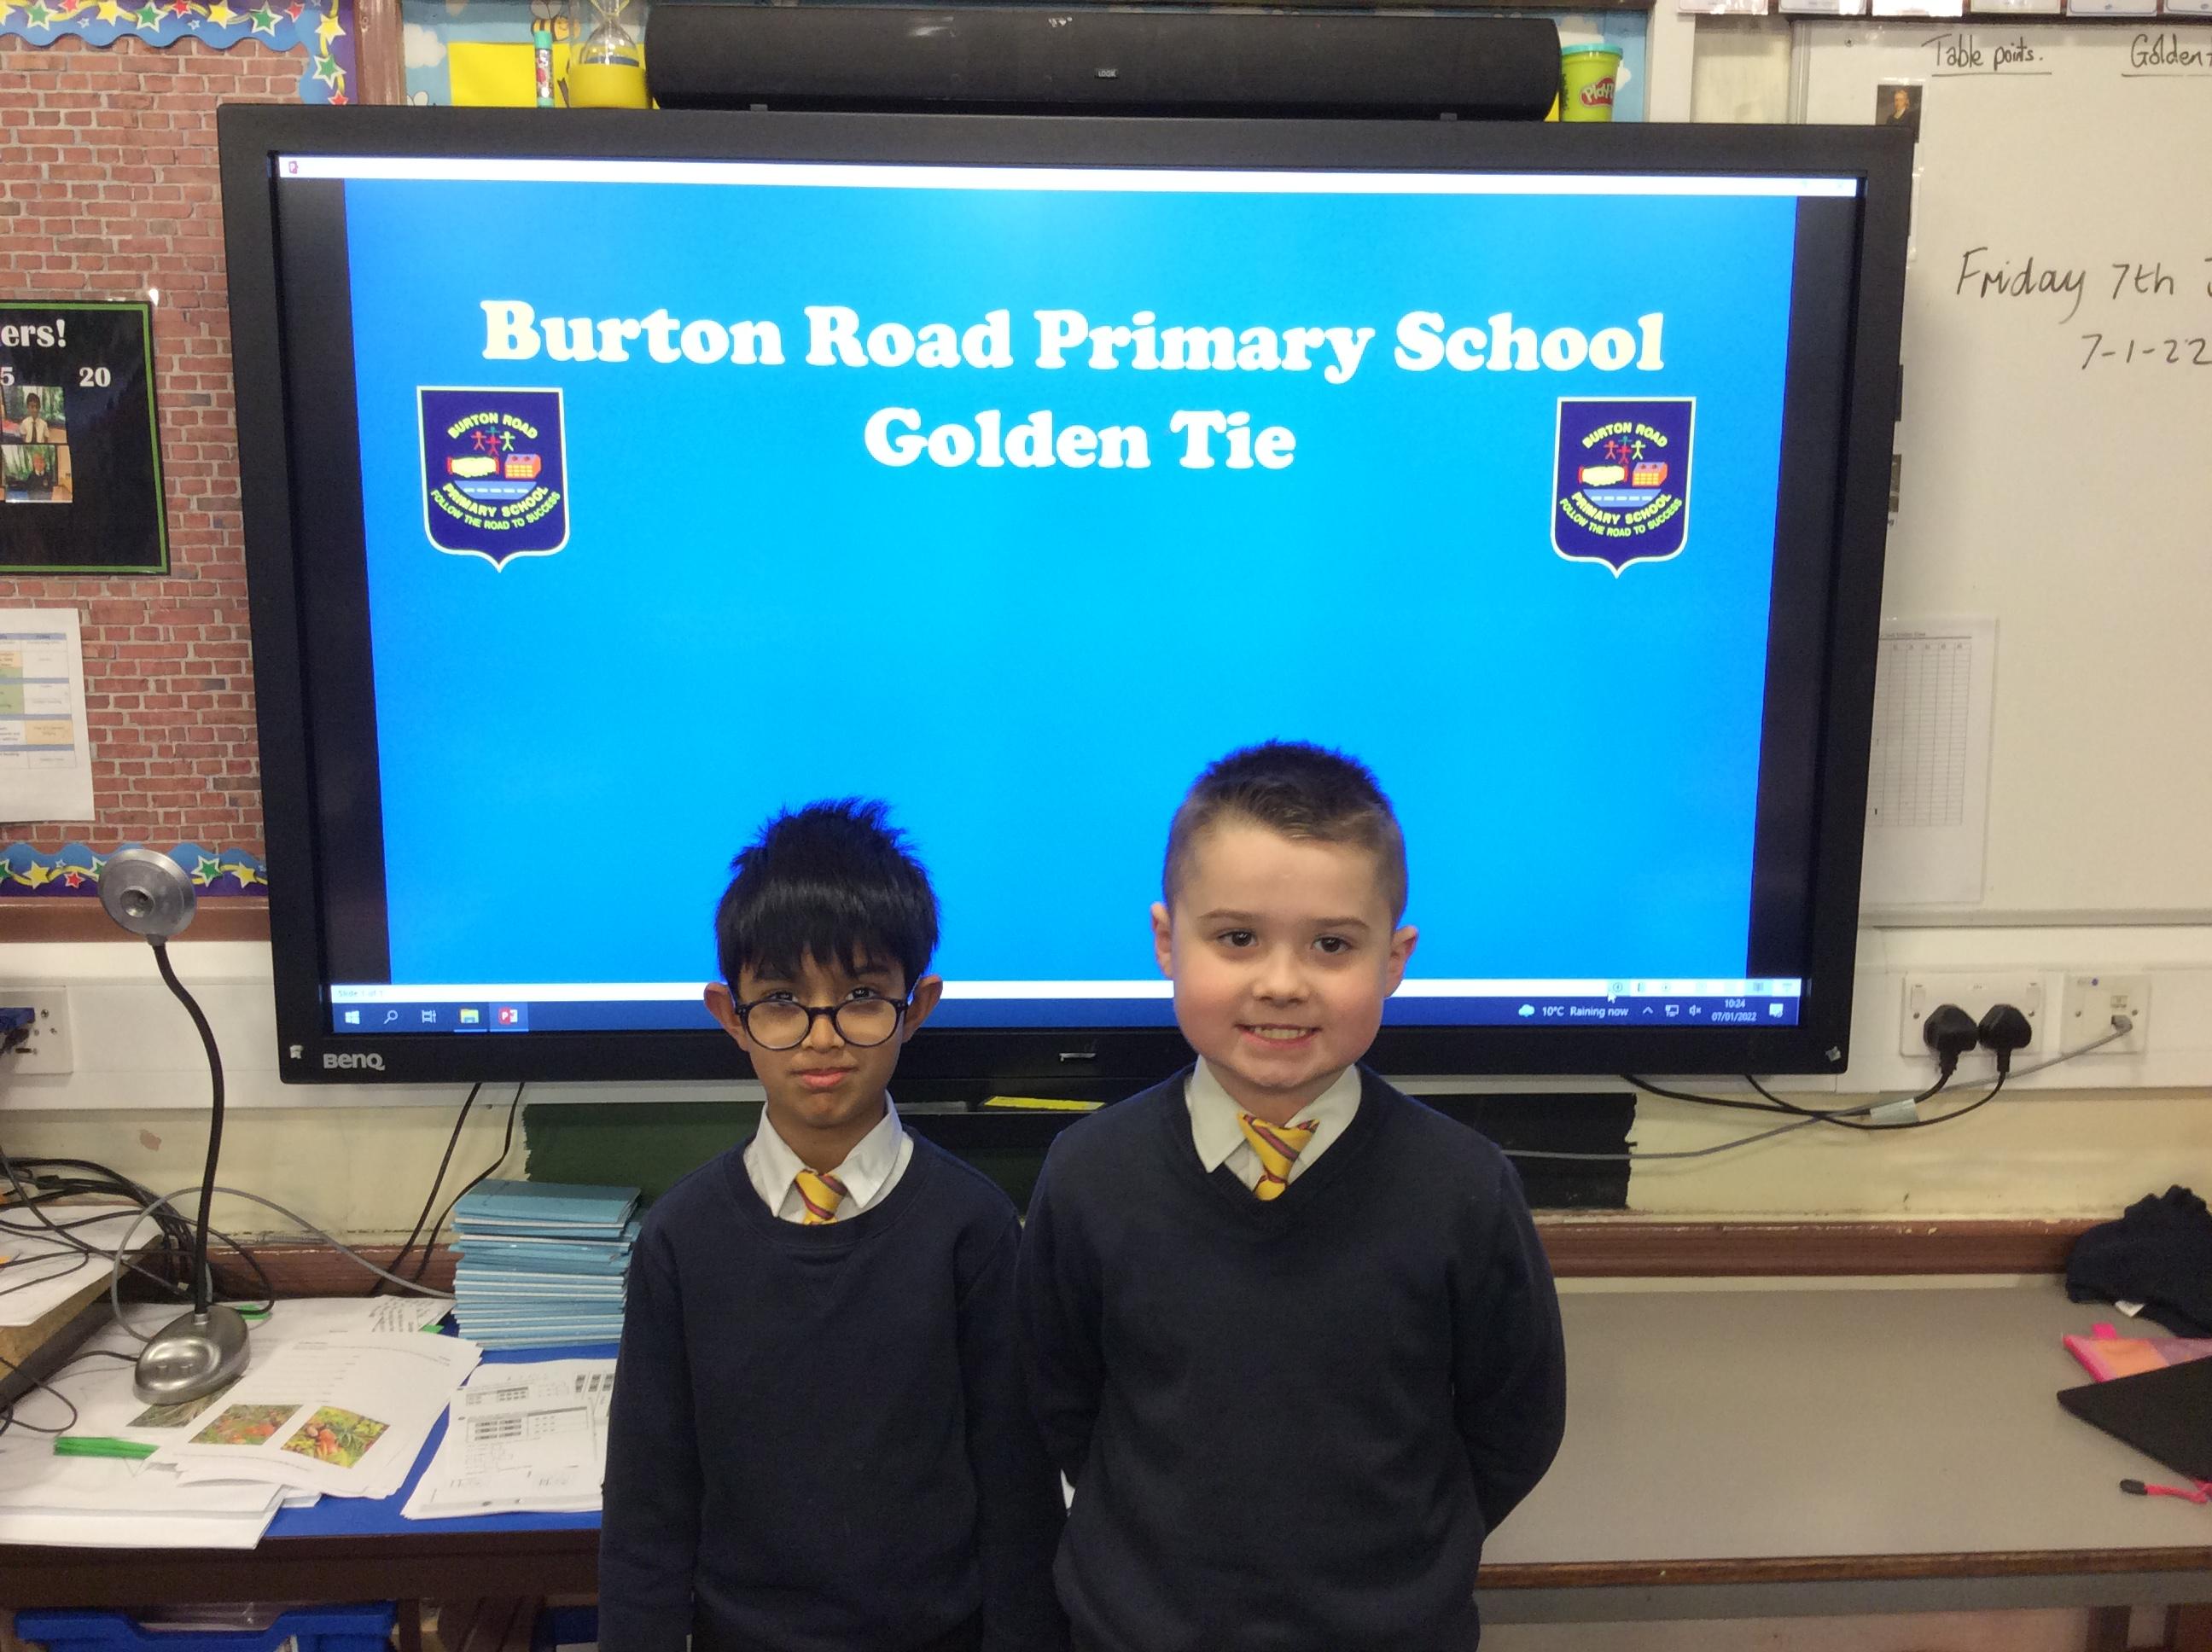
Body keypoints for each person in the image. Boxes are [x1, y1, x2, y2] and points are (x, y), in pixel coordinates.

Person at [1018, 742, 1568, 1652]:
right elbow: (1061, 1401)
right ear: (1166, 941)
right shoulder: (1087, 1173)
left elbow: (1515, 1421)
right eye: (1237, 938)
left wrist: (1404, 1569)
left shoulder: (1465, 1188)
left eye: (1332, 945)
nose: (1281, 983)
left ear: (1396, 958)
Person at [602, 799, 1068, 1652]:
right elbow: (647, 1507)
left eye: (860, 996)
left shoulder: (973, 1227)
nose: (823, 1038)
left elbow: (1019, 1496)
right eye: (783, 999)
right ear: (729, 1015)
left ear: (916, 1006)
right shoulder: (681, 1239)